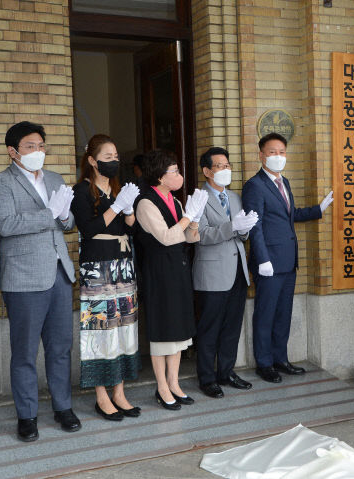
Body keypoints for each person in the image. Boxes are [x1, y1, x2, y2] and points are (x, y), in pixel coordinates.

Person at [0, 121, 79, 441]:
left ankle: (63, 407)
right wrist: (49, 214)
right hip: (24, 276)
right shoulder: (0, 183)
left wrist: (65, 215)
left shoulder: (54, 178)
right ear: (12, 151)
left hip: (59, 272)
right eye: (30, 146)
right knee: (25, 351)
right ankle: (26, 415)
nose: (38, 151)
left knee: (60, 347)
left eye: (41, 145)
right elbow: (6, 224)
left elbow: (66, 223)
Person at [241, 133, 333, 383]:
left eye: (282, 152)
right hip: (268, 262)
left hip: (288, 260)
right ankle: (264, 363)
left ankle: (280, 358)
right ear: (261, 155)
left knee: (283, 312)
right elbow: (255, 226)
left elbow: (287, 216)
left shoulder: (285, 183)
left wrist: (318, 210)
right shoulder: (254, 185)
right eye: (272, 152)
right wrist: (262, 259)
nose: (278, 156)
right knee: (265, 313)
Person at [71, 134, 142, 421]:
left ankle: (120, 392)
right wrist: (117, 207)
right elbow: (89, 229)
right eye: (108, 156)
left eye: (116, 157)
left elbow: (133, 232)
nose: (114, 161)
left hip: (123, 265)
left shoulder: (118, 190)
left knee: (124, 326)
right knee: (101, 329)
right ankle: (101, 395)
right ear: (92, 160)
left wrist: (128, 211)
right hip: (97, 267)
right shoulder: (81, 191)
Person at [134, 149, 208, 410]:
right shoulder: (145, 202)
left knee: (178, 329)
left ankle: (175, 383)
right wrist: (188, 217)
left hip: (178, 269)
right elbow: (165, 237)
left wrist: (194, 221)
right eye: (174, 171)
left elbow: (188, 238)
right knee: (162, 330)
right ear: (160, 176)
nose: (179, 175)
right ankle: (162, 387)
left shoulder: (175, 202)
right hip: (159, 271)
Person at [194, 147, 258, 399]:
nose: (226, 170)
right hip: (212, 273)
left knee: (232, 326)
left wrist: (244, 229)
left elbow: (241, 234)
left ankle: (227, 372)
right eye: (220, 166)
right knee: (210, 328)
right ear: (207, 171)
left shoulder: (234, 197)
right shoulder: (198, 198)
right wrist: (233, 226)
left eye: (228, 165)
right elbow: (200, 235)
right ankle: (207, 378)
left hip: (237, 270)